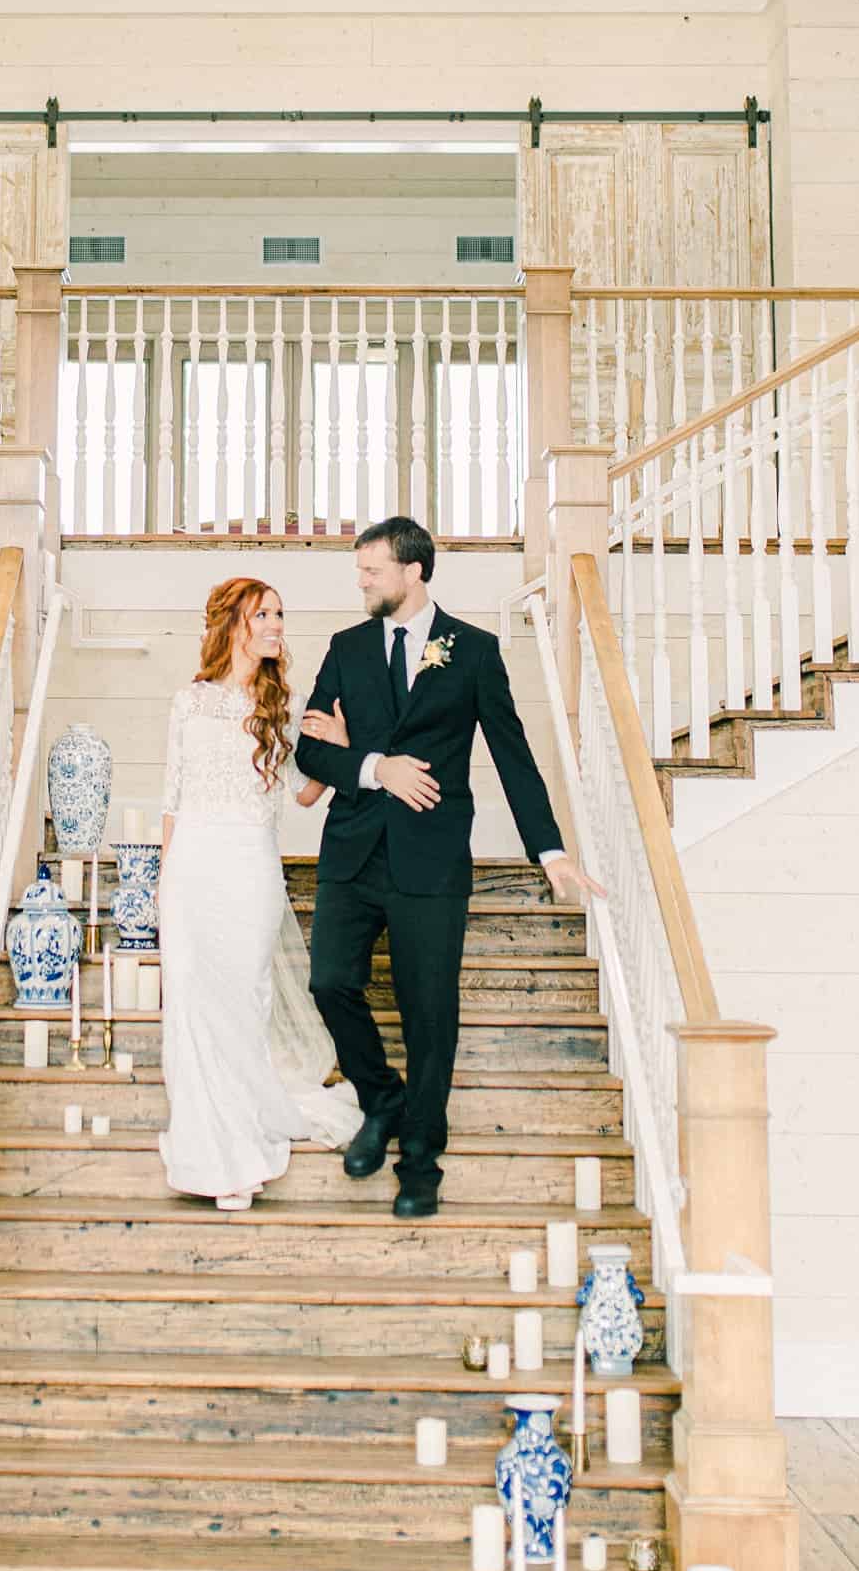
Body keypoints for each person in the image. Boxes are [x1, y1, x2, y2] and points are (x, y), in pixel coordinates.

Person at [296, 516, 601, 1220]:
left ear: (413, 572)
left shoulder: (474, 651)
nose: (362, 580)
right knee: (329, 981)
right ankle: (382, 1098)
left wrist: (550, 851)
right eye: (360, 570)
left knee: (431, 1013)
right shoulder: (346, 649)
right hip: (352, 850)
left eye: (372, 570)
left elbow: (513, 753)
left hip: (430, 861)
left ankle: (421, 1160)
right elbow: (311, 751)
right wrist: (375, 767)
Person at [157, 578, 361, 1211]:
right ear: (235, 624)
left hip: (249, 867)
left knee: (239, 1010)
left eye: (279, 613)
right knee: (192, 1010)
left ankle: (242, 1147)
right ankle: (207, 1155)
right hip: (191, 867)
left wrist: (339, 748)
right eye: (264, 613)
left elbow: (302, 793)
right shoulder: (189, 702)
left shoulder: (285, 705)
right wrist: (165, 884)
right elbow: (172, 799)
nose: (276, 623)